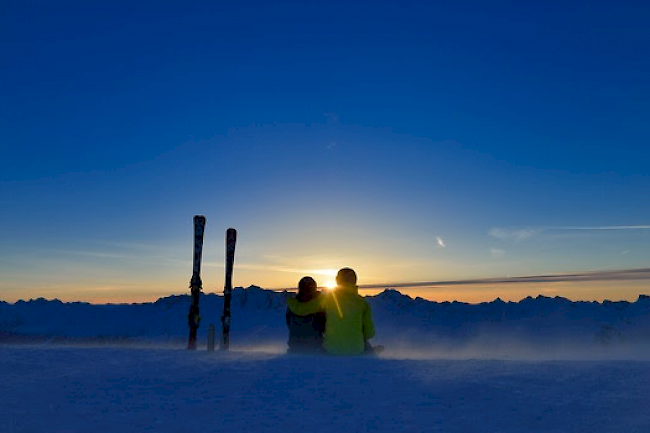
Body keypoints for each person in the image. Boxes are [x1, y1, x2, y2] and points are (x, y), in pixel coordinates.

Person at [286, 268, 375, 355]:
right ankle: (370, 352)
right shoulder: (362, 303)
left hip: (331, 350)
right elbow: (369, 333)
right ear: (355, 281)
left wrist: (290, 301)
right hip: (356, 350)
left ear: (337, 280)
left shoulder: (327, 298)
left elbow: (302, 310)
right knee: (361, 340)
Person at [285, 276, 326, 354]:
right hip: (316, 349)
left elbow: (289, 324)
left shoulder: (292, 306)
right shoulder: (320, 306)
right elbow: (324, 327)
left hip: (294, 349)